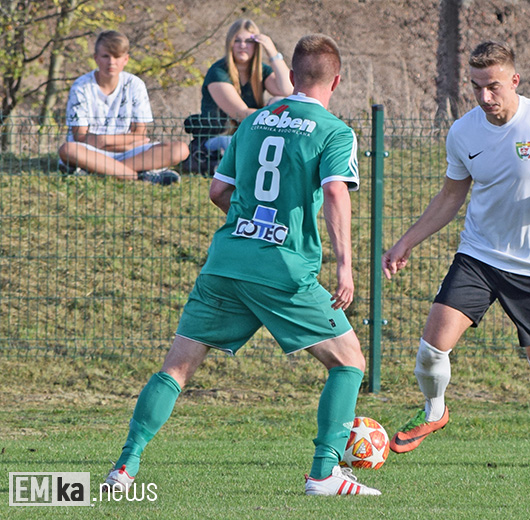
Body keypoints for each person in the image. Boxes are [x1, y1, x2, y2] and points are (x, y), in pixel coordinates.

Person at [104, 34, 381, 496]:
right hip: (283, 267)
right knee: (349, 362)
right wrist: (345, 266)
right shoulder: (335, 131)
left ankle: (124, 469)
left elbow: (217, 192)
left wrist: (249, 223)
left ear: (290, 77)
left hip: (227, 261)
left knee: (175, 369)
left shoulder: (252, 124)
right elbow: (335, 192)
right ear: (337, 80)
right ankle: (324, 473)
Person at [382, 41, 530, 469]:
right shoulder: (463, 132)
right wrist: (406, 241)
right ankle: (434, 411)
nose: (485, 97)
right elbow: (450, 197)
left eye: (494, 86)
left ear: (514, 81)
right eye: (477, 87)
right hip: (479, 256)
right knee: (431, 349)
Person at [58, 30, 188, 185]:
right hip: (90, 152)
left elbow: (140, 134)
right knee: (68, 150)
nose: (111, 62)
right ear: (96, 58)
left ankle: (98, 170)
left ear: (126, 59)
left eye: (117, 57)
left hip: (130, 153)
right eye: (106, 56)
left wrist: (104, 140)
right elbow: (80, 136)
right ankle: (139, 175)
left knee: (180, 149)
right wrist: (126, 141)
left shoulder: (135, 85)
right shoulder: (81, 86)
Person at [182, 18, 293, 175]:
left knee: (280, 101)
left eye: (249, 41)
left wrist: (273, 52)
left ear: (257, 45)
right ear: (230, 44)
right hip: (218, 138)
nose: (242, 45)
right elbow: (240, 113)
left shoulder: (261, 71)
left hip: (252, 134)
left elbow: (288, 90)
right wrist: (277, 119)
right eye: (237, 40)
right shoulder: (218, 72)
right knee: (235, 144)